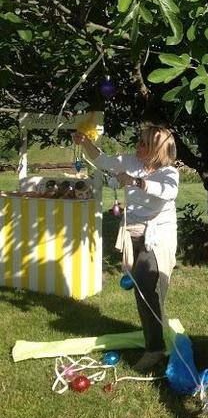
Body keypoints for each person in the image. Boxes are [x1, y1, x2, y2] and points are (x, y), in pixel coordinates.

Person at [73, 124, 178, 373]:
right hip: (133, 232)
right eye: (139, 141)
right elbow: (103, 160)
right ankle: (154, 341)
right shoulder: (129, 160)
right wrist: (85, 142)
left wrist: (137, 182)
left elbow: (169, 192)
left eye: (144, 143)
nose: (138, 146)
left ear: (157, 149)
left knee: (147, 286)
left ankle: (154, 349)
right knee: (143, 289)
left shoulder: (169, 172)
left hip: (158, 236)